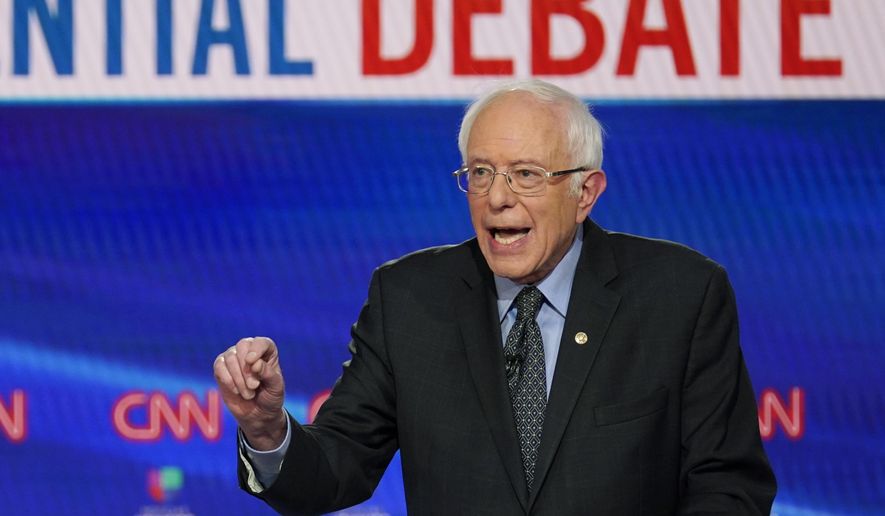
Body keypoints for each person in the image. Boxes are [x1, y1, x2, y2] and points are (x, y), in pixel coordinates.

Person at [213, 79, 776, 515]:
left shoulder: (679, 294)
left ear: (586, 192)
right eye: (481, 173)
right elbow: (336, 470)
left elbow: (728, 484)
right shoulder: (410, 299)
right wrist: (267, 430)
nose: (497, 198)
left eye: (526, 174)